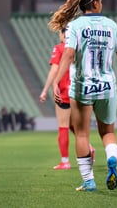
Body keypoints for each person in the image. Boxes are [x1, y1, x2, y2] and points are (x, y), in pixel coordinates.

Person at [50, 0, 117, 191]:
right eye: (100, 0)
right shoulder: (111, 25)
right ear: (95, 3)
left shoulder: (75, 26)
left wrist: (56, 81)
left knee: (82, 134)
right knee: (108, 132)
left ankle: (89, 181)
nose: (102, 3)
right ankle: (112, 160)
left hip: (83, 88)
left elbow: (68, 55)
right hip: (107, 87)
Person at [40, 29, 85, 170]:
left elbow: (54, 70)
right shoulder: (78, 49)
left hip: (64, 92)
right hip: (79, 92)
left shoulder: (60, 48)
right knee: (75, 126)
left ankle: (65, 161)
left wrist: (45, 90)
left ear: (62, 34)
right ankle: (88, 148)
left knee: (63, 126)